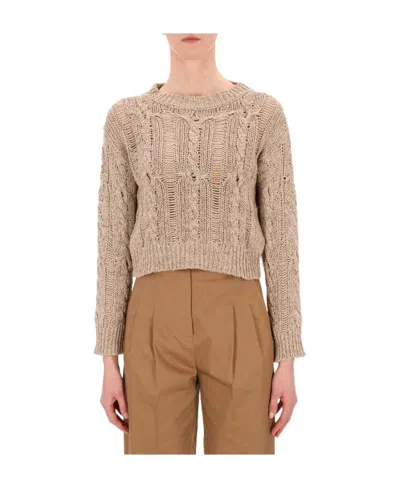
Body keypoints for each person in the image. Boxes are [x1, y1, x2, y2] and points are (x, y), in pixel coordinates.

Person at [94, 33, 305, 455]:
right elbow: (112, 241)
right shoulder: (127, 119)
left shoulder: (262, 115)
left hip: (239, 313)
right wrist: (109, 360)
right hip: (153, 318)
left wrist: (287, 359)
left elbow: (282, 239)